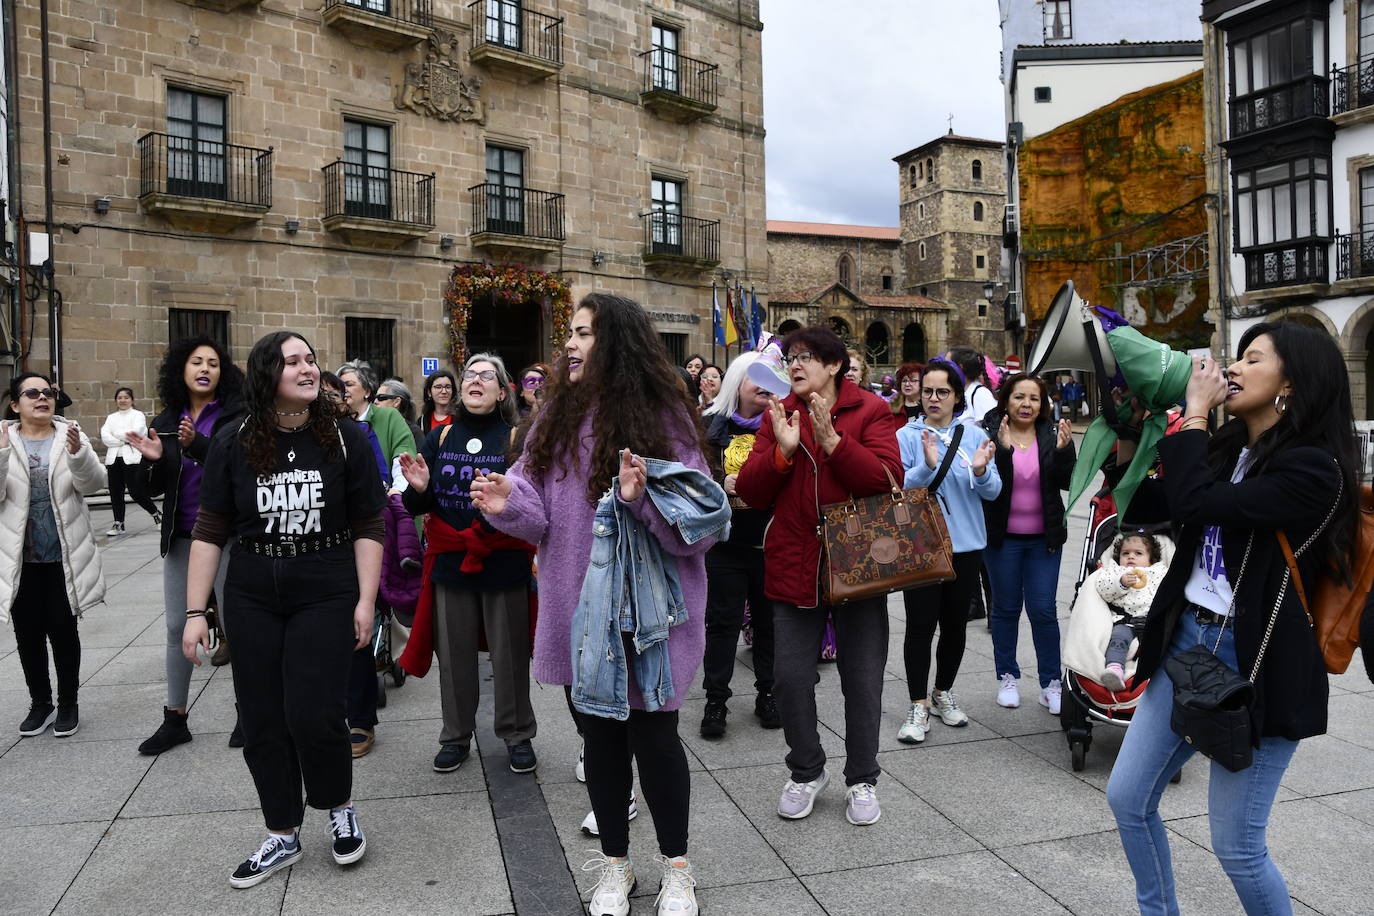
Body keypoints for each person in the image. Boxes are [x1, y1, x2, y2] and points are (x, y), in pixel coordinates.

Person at [472, 294, 714, 916]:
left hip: (652, 622)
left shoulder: (667, 419)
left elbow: (705, 524)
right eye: (570, 334)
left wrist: (642, 499)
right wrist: (507, 503)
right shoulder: (553, 414)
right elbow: (535, 507)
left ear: (620, 343)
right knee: (601, 746)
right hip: (579, 615)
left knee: (657, 742)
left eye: (585, 334)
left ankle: (677, 869)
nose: (571, 345)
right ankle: (615, 866)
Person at [1105, 321, 1358, 915]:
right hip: (1189, 644)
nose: (1233, 369)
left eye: (1253, 358)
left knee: (1237, 845)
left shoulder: (1314, 470)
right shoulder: (1228, 449)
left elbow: (1199, 502)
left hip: (1256, 666)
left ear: (1290, 384)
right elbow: (1147, 504)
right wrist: (1129, 431)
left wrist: (1194, 416)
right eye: (1236, 357)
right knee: (1127, 798)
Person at [185, 331, 385, 890]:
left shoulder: (346, 438)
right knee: (261, 716)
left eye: (310, 359)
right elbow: (210, 529)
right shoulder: (233, 440)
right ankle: (282, 831)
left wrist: (366, 601)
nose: (306, 367)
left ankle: (338, 806)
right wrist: (195, 611)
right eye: (291, 360)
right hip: (251, 590)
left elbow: (370, 523)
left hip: (324, 585)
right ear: (266, 373)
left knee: (313, 710)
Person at [735, 325, 901, 828]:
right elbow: (750, 491)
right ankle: (806, 770)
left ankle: (862, 777)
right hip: (794, 562)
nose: (794, 365)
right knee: (787, 678)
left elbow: (886, 481)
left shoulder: (870, 410)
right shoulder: (778, 414)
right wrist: (784, 450)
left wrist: (833, 441)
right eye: (790, 357)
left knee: (863, 680)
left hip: (858, 562)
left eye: (806, 356)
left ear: (833, 365)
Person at [397, 352, 536, 775]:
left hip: (502, 559)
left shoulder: (516, 438)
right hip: (451, 560)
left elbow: (529, 499)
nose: (476, 380)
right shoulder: (440, 437)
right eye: (470, 375)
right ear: (461, 389)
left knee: (509, 656)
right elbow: (416, 501)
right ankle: (455, 736)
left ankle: (517, 736)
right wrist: (419, 489)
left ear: (501, 390)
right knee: (454, 656)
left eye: (486, 376)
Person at [125, 337, 247, 755]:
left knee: (238, 627)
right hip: (182, 537)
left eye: (213, 363)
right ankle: (174, 718)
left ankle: (247, 713)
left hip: (230, 536)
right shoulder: (164, 418)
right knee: (178, 627)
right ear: (181, 369)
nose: (205, 368)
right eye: (196, 361)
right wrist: (152, 461)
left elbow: (239, 467)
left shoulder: (236, 415)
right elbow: (149, 490)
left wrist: (196, 444)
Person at [894, 359, 1000, 744]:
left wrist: (980, 472)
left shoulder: (972, 436)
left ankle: (942, 692)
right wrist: (925, 467)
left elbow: (992, 492)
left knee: (956, 625)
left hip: (966, 546)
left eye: (942, 392)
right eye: (927, 391)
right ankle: (918, 704)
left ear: (957, 397)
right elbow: (901, 490)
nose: (933, 398)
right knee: (920, 627)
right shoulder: (906, 435)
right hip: (921, 546)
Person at [1, 374, 106, 739]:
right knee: (27, 633)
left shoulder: (69, 435)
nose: (42, 398)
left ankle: (68, 703)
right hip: (20, 560)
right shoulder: (2, 440)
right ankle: (40, 703)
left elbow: (93, 485)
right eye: (32, 393)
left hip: (64, 556)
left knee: (63, 630)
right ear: (15, 404)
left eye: (48, 392)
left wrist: (78, 455)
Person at [335, 360, 417, 758]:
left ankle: (361, 717)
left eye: (347, 385)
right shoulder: (319, 424)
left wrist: (392, 497)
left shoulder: (379, 422)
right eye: (336, 387)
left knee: (363, 613)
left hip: (373, 523)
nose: (342, 392)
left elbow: (400, 465)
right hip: (328, 537)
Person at [980, 373, 1075, 713]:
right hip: (1002, 540)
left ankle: (1051, 683)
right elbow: (989, 485)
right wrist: (1002, 451)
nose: (1026, 404)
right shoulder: (988, 433)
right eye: (1019, 397)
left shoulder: (1052, 434)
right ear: (1006, 400)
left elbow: (1067, 482)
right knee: (1005, 609)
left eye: (1034, 398)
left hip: (1044, 541)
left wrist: (1064, 453)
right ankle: (1008, 677)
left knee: (1043, 610)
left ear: (1043, 403)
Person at [698, 352, 778, 739]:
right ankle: (716, 700)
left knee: (769, 624)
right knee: (722, 625)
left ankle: (769, 693)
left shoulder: (784, 425)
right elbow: (690, 477)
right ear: (737, 382)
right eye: (754, 378)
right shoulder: (710, 426)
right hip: (725, 544)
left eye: (770, 378)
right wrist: (719, 483)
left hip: (771, 541)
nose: (763, 386)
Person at [1094, 532, 1167, 691]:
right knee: (1118, 638)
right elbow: (1103, 589)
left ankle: (1156, 675)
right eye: (1125, 553)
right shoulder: (1115, 571)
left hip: (1151, 620)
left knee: (1164, 641)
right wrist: (1120, 583)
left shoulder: (1158, 571)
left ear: (1151, 559)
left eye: (1138, 553)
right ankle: (1114, 669)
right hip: (1125, 620)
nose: (1131, 557)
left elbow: (1168, 590)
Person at [101, 387, 161, 536]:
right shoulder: (111, 418)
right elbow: (105, 436)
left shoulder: (137, 415)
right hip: (114, 459)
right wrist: (124, 440)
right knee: (115, 492)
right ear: (116, 400)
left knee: (136, 491)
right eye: (120, 397)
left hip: (132, 459)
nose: (122, 400)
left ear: (132, 400)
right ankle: (119, 523)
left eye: (126, 397)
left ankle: (156, 514)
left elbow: (137, 433)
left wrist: (118, 437)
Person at [949, 346, 997, 425]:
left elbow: (993, 428)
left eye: (948, 364)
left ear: (960, 367)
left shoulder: (981, 395)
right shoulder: (960, 393)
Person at [375, 378, 422, 447]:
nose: (375, 401)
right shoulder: (371, 427)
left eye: (381, 398)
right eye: (375, 397)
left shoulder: (414, 432)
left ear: (396, 402)